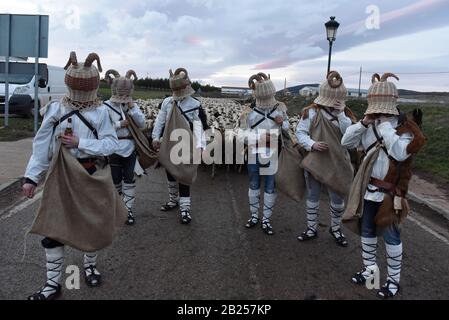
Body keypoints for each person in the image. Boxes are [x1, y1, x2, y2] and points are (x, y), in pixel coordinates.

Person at [22, 52, 125, 300]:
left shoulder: (102, 113)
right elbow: (42, 146)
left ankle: (89, 266)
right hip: (62, 176)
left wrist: (81, 142)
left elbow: (111, 145)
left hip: (93, 175)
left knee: (94, 226)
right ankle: (52, 285)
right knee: (54, 228)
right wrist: (31, 177)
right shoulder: (56, 110)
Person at [341, 73, 426, 299]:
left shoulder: (407, 129)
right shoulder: (369, 124)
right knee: (367, 231)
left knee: (391, 237)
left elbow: (399, 153)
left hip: (391, 194)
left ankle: (393, 281)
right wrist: (365, 123)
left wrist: (386, 126)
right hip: (368, 191)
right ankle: (370, 271)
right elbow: (346, 142)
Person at [295, 71, 355, 247]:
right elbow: (300, 132)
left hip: (338, 162)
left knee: (338, 200)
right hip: (316, 162)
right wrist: (312, 144)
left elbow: (349, 136)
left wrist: (341, 114)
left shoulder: (345, 116)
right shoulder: (311, 113)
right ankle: (311, 228)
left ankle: (335, 229)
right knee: (312, 197)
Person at [152, 68, 208, 224]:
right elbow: (160, 121)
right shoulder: (167, 102)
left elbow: (199, 127)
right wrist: (156, 137)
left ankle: (185, 209)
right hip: (169, 142)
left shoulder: (195, 104)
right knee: (170, 171)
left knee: (184, 175)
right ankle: (173, 200)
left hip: (186, 144)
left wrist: (200, 146)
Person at [239, 73, 289, 235]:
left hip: (273, 152)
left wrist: (284, 123)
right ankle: (254, 216)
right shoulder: (249, 112)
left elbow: (287, 128)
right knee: (254, 183)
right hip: (254, 151)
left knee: (270, 185)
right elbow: (241, 134)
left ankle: (266, 219)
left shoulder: (280, 109)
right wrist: (258, 136)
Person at [104, 69, 146, 225]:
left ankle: (128, 211)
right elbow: (101, 128)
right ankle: (118, 208)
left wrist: (133, 108)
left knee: (129, 179)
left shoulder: (131, 106)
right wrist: (119, 124)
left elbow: (141, 124)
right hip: (113, 148)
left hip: (129, 148)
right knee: (115, 181)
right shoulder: (106, 107)